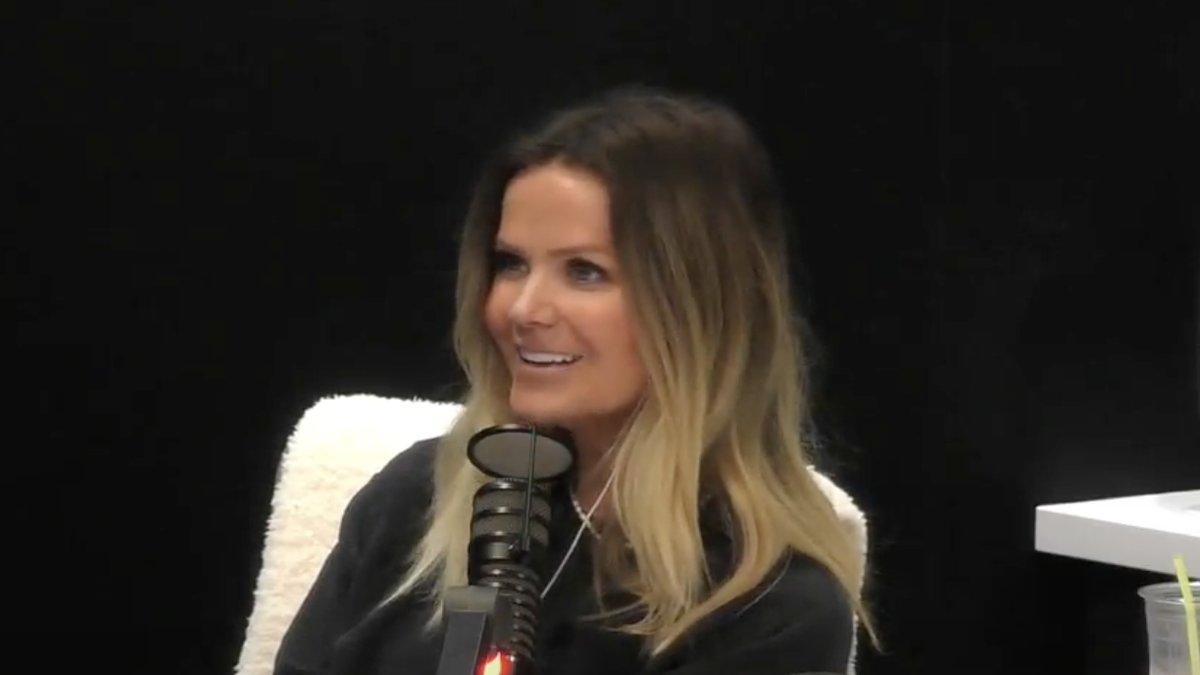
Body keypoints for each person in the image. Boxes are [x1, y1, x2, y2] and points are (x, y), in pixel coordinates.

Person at [274, 85, 875, 675]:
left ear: (700, 310)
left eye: (585, 271)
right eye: (511, 264)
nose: (522, 309)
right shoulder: (416, 494)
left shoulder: (773, 609)